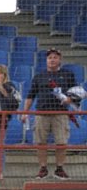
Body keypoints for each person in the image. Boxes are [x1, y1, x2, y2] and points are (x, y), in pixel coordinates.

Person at [23, 48, 79, 180]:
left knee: (61, 142)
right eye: (50, 57)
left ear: (60, 60)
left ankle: (59, 169)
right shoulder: (39, 76)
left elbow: (77, 92)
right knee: (40, 142)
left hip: (61, 114)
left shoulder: (68, 75)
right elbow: (30, 96)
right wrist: (25, 112)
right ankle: (43, 168)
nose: (52, 60)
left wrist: (70, 99)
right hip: (41, 114)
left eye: (55, 57)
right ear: (46, 60)